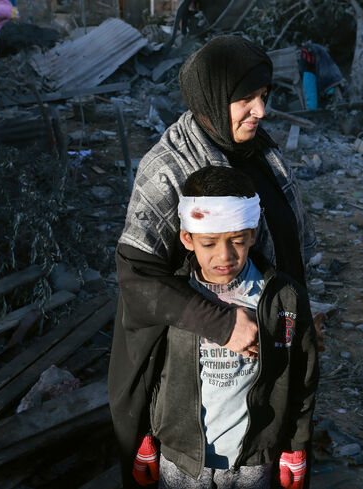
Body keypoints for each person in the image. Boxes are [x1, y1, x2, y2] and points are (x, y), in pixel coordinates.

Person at [108, 34, 316, 489]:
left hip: (258, 385)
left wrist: (299, 315)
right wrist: (223, 324)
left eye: (263, 97)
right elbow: (137, 279)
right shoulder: (169, 169)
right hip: (187, 390)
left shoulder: (258, 150)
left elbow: (285, 240)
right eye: (245, 99)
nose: (260, 111)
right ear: (212, 98)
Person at [136, 166, 318, 489]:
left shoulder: (281, 299)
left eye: (236, 240)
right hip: (181, 460)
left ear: (251, 233)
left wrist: (296, 445)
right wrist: (146, 436)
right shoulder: (174, 297)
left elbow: (302, 375)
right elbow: (150, 369)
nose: (225, 256)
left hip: (251, 462)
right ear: (187, 238)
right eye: (209, 243)